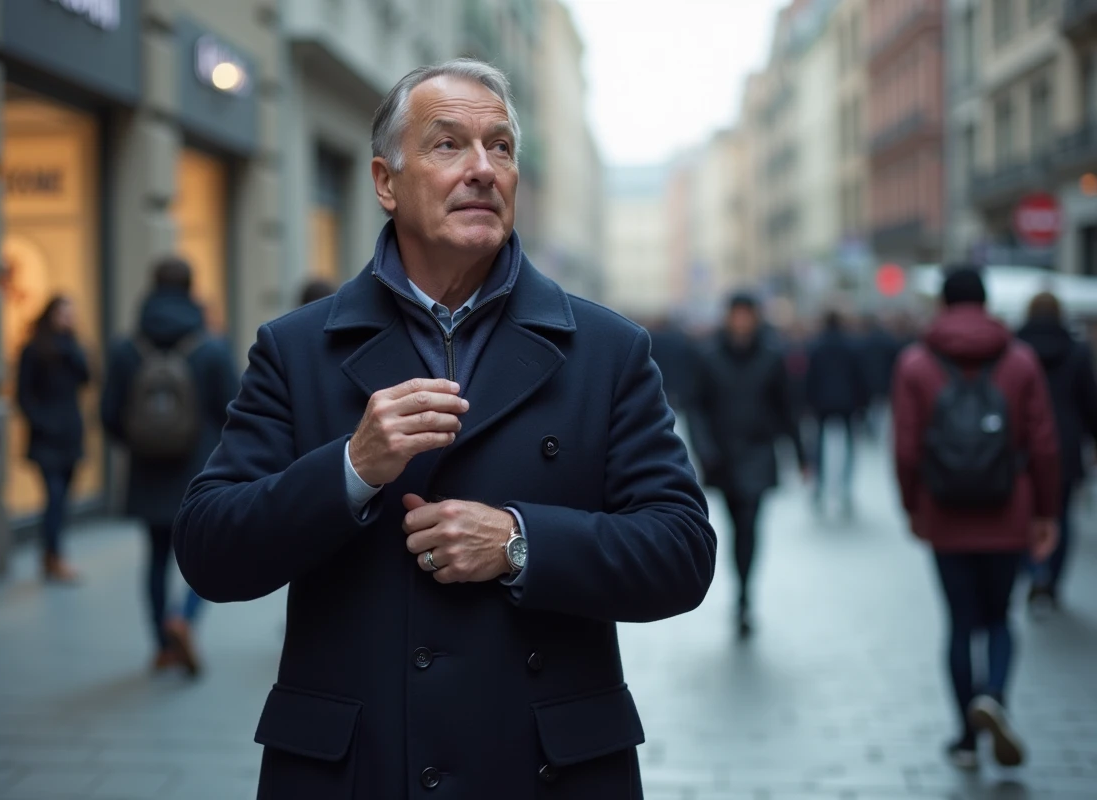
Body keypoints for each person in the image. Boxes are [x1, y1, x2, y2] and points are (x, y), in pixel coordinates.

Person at [173, 59, 716, 798]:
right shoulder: (298, 348)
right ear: (384, 182)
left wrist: (521, 543)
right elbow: (209, 549)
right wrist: (353, 468)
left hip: (545, 767)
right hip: (360, 769)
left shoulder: (606, 350)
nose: (483, 169)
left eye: (501, 147)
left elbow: (683, 552)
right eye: (448, 145)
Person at [892, 266, 1059, 770]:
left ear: (943, 304)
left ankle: (965, 737)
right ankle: (995, 698)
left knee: (960, 624)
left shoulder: (917, 361)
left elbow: (905, 447)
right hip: (1008, 509)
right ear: (985, 302)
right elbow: (1044, 443)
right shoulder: (1020, 359)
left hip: (945, 512)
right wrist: (1047, 511)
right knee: (1000, 618)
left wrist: (911, 505)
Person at [100, 257, 238, 678]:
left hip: (147, 470)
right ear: (191, 288)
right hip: (199, 470)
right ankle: (184, 618)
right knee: (211, 554)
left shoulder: (127, 347)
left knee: (156, 557)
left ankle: (161, 645)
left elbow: (108, 414)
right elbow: (234, 409)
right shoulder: (210, 347)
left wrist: (141, 443)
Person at [689, 293, 808, 639]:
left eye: (747, 315)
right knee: (734, 523)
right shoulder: (709, 357)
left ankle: (743, 593)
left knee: (749, 524)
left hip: (757, 453)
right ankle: (740, 587)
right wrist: (704, 449)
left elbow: (787, 408)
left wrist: (801, 455)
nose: (741, 322)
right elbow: (697, 408)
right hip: (723, 457)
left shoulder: (772, 357)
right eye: (736, 315)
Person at [1016, 292, 1097, 611]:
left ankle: (1034, 570)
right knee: (1060, 516)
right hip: (1065, 442)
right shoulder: (1076, 350)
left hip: (1023, 444)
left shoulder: (1015, 347)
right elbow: (1090, 401)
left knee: (1024, 513)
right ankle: (1051, 580)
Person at [17, 295, 90, 583]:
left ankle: (50, 555)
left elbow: (87, 378)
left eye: (71, 314)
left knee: (63, 498)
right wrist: (42, 422)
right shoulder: (33, 349)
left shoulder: (73, 348)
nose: (68, 319)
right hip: (47, 437)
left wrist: (74, 349)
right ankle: (54, 556)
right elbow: (23, 394)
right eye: (63, 313)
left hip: (70, 433)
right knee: (55, 497)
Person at [805, 310, 869, 515]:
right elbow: (860, 376)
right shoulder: (852, 346)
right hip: (848, 402)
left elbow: (810, 377)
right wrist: (862, 402)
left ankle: (819, 486)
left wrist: (808, 402)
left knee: (819, 446)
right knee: (849, 446)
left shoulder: (816, 346)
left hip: (822, 402)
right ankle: (846, 488)